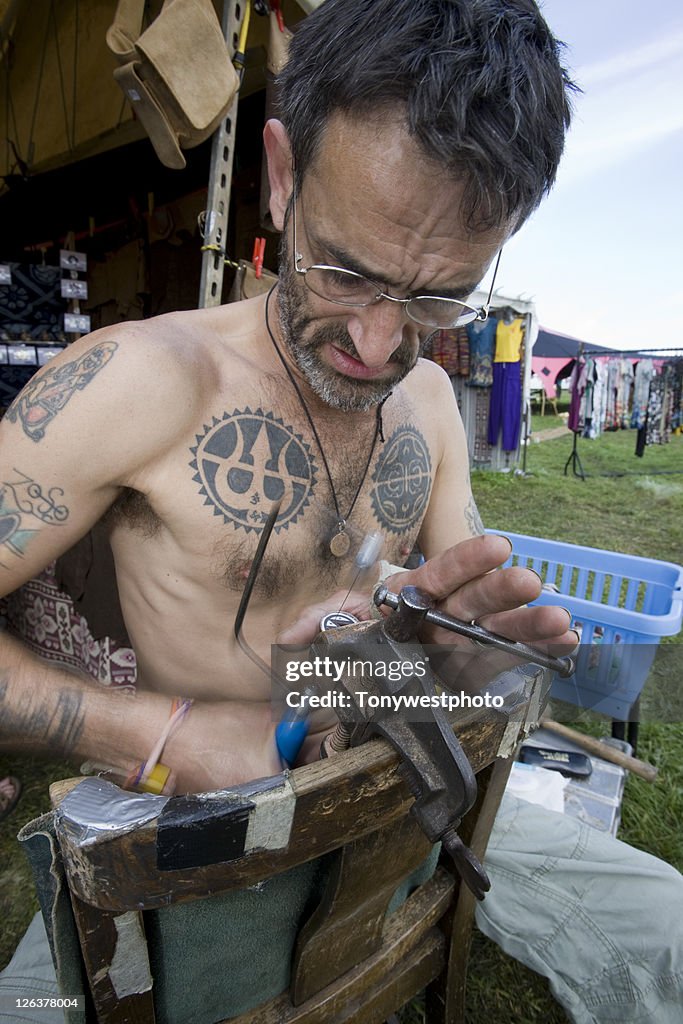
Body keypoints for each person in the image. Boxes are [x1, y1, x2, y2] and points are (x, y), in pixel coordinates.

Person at [0, 2, 681, 1022]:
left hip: (389, 774)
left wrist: (458, 661)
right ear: (280, 173)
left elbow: (446, 644)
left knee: (664, 924)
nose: (375, 342)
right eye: (345, 269)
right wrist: (165, 732)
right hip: (183, 822)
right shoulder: (131, 384)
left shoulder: (429, 413)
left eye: (436, 297)